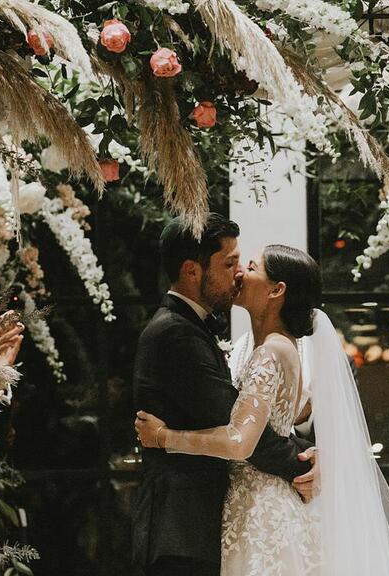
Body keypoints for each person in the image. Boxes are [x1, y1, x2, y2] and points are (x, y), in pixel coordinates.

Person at [137, 244, 389, 576]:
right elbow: (276, 428)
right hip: (263, 500)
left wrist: (164, 436)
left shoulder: (271, 352)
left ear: (276, 290)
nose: (239, 273)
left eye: (250, 267)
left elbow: (239, 442)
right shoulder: (272, 347)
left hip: (261, 508)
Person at [131, 217, 317, 576]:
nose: (238, 274)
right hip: (182, 530)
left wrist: (316, 461)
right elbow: (247, 436)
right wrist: (307, 463)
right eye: (229, 263)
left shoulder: (234, 340)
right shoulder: (177, 335)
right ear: (191, 271)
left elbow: (246, 431)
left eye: (244, 264)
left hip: (223, 519)